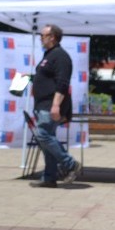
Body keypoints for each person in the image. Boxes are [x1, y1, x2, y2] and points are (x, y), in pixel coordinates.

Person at [29, 24, 82, 188]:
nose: (40, 38)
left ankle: (70, 164)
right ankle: (49, 177)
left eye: (43, 35)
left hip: (50, 104)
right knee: (46, 141)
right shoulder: (49, 55)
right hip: (42, 104)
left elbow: (62, 83)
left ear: (52, 37)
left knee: (43, 135)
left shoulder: (61, 56)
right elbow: (47, 78)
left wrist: (56, 106)